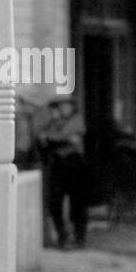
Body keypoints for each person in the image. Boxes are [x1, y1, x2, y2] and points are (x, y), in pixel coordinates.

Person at [37, 96, 89, 248]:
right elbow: (43, 139)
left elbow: (64, 135)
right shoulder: (53, 123)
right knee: (55, 202)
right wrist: (51, 137)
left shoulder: (77, 120)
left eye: (67, 106)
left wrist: (51, 137)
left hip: (74, 164)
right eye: (61, 106)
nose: (64, 109)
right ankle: (62, 237)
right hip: (57, 165)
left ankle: (80, 238)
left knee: (77, 202)